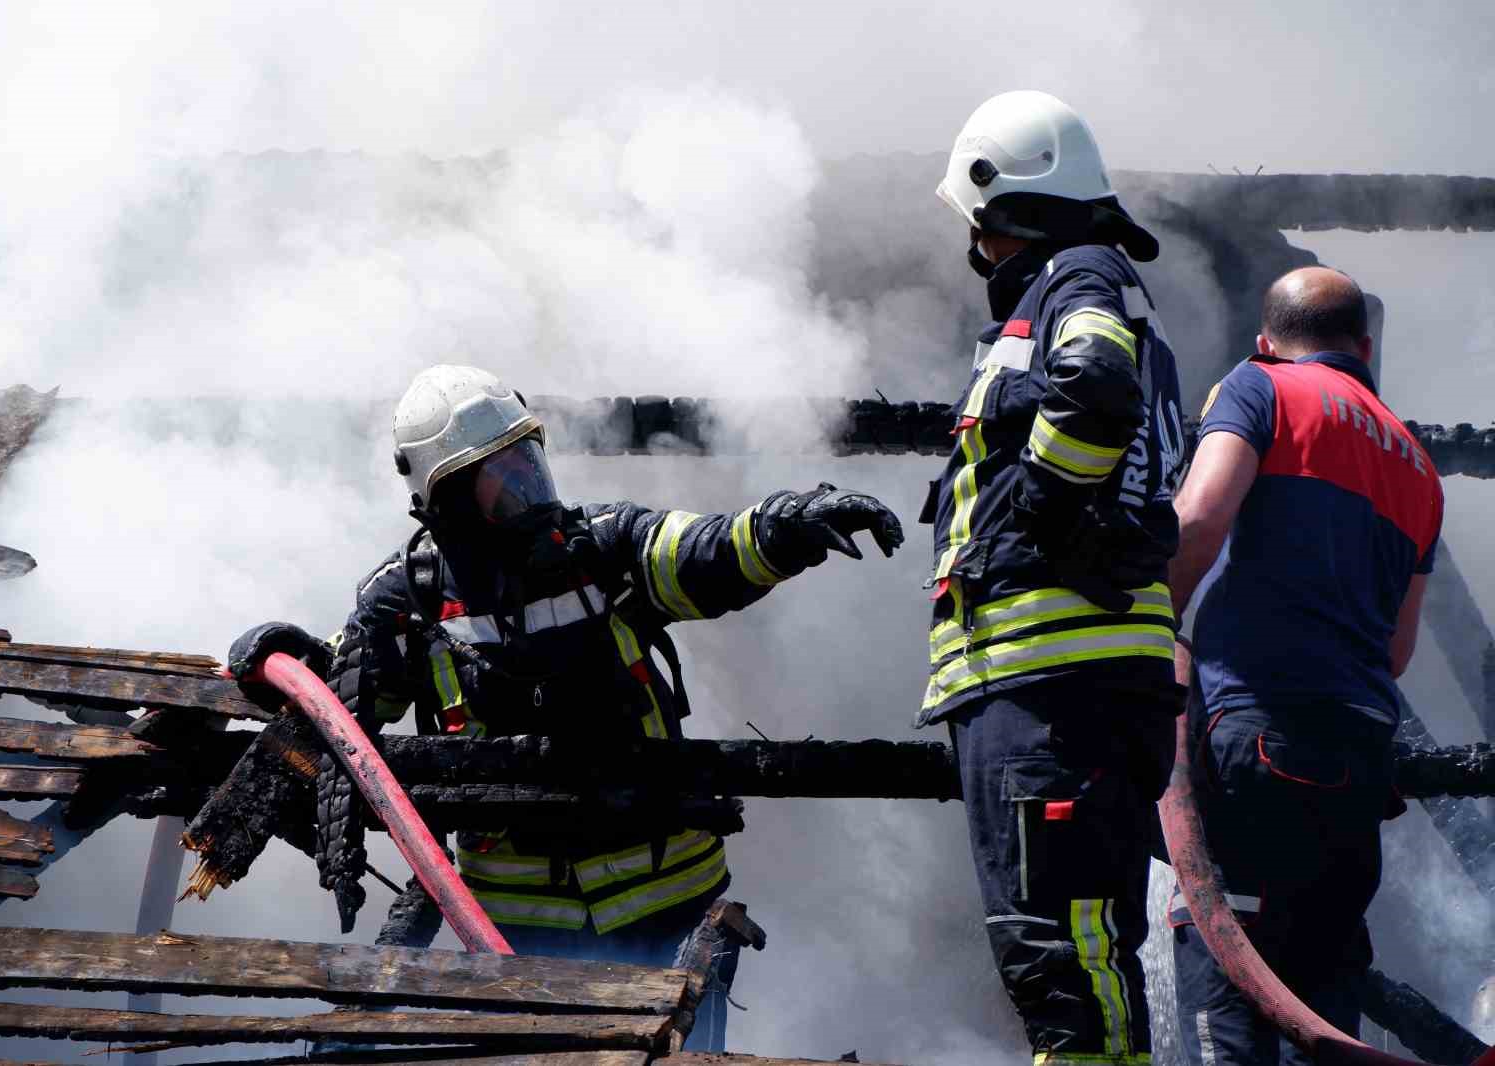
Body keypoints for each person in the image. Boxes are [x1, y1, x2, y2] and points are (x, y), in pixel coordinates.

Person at [231, 364, 903, 1052]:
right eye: (503, 479)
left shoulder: (606, 549)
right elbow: (338, 694)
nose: (529, 492)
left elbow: (708, 552)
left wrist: (787, 526)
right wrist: (280, 659)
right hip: (518, 932)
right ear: (449, 496)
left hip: (670, 907)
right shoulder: (411, 598)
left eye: (529, 464)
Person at [920, 90, 1187, 1064]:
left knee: (1068, 961)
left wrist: (1039, 508)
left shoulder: (1076, 278)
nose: (977, 250)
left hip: (1052, 694)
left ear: (1008, 208)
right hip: (1056, 687)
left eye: (980, 227)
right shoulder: (1087, 286)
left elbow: (1096, 385)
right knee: (1062, 959)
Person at [1167, 267, 1443, 1064]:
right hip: (1360, 760)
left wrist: (1150, 628)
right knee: (1322, 993)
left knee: (1232, 973)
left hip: (1258, 731)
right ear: (1364, 347)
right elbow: (1397, 651)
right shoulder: (1418, 467)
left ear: (1267, 341)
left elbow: (1200, 519)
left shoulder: (1261, 387)